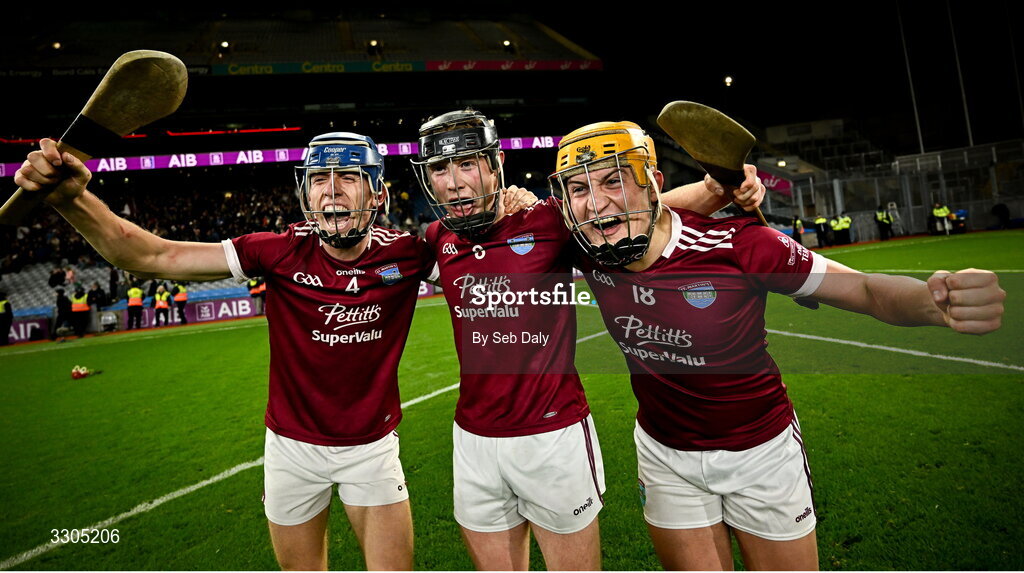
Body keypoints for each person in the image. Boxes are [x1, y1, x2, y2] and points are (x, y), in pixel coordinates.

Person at [547, 121, 1005, 571]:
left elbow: (864, 290)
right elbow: (607, 213)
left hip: (760, 449)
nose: (595, 202)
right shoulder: (587, 246)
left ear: (652, 183)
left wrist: (935, 302)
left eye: (612, 180)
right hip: (665, 454)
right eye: (578, 189)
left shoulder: (741, 245)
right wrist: (717, 186)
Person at [15, 133, 438, 571]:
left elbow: (491, 265)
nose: (331, 188)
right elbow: (148, 255)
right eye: (318, 178)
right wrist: (71, 200)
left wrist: (514, 217)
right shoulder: (277, 252)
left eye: (348, 176)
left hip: (371, 447)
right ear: (304, 190)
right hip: (290, 449)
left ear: (378, 193)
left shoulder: (408, 255)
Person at [410, 109, 764, 570]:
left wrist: (720, 188)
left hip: (552, 434)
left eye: (468, 163)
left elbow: (641, 212)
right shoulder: (438, 238)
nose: (454, 182)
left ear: (495, 166)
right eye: (440, 168)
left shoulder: (546, 220)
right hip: (473, 439)